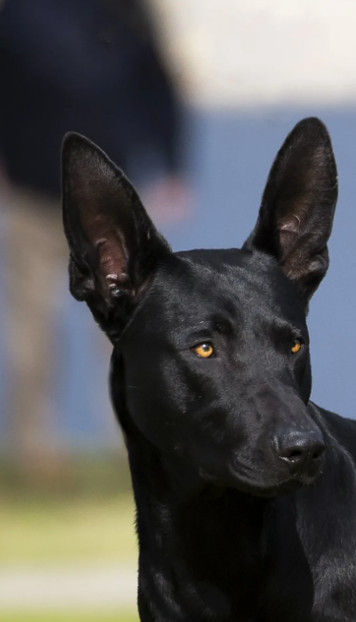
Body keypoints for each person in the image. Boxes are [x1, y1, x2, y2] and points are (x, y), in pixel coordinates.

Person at [0, 0, 187, 484]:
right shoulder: (16, 14)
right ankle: (33, 447)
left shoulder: (126, 10)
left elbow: (157, 80)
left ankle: (131, 441)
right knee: (32, 325)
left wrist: (173, 163)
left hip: (110, 196)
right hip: (31, 189)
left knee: (125, 323)